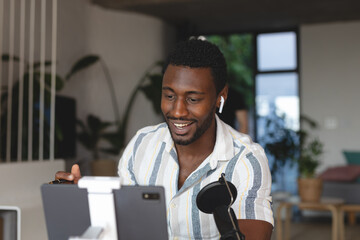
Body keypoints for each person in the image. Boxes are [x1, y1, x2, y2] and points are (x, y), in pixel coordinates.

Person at [56, 39, 273, 240]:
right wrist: (84, 204)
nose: (177, 111)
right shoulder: (141, 145)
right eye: (169, 96)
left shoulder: (247, 159)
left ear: (220, 97)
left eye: (193, 99)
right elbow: (123, 225)